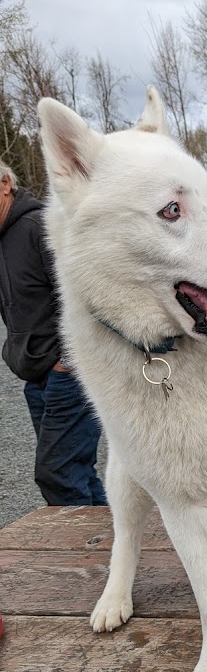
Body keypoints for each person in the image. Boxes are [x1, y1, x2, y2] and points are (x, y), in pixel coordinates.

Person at [0, 161, 106, 505]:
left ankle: (77, 557)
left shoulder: (39, 228)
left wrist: (69, 363)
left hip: (70, 374)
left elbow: (91, 295)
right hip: (36, 378)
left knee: (56, 473)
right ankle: (113, 546)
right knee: (76, 472)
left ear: (5, 184)